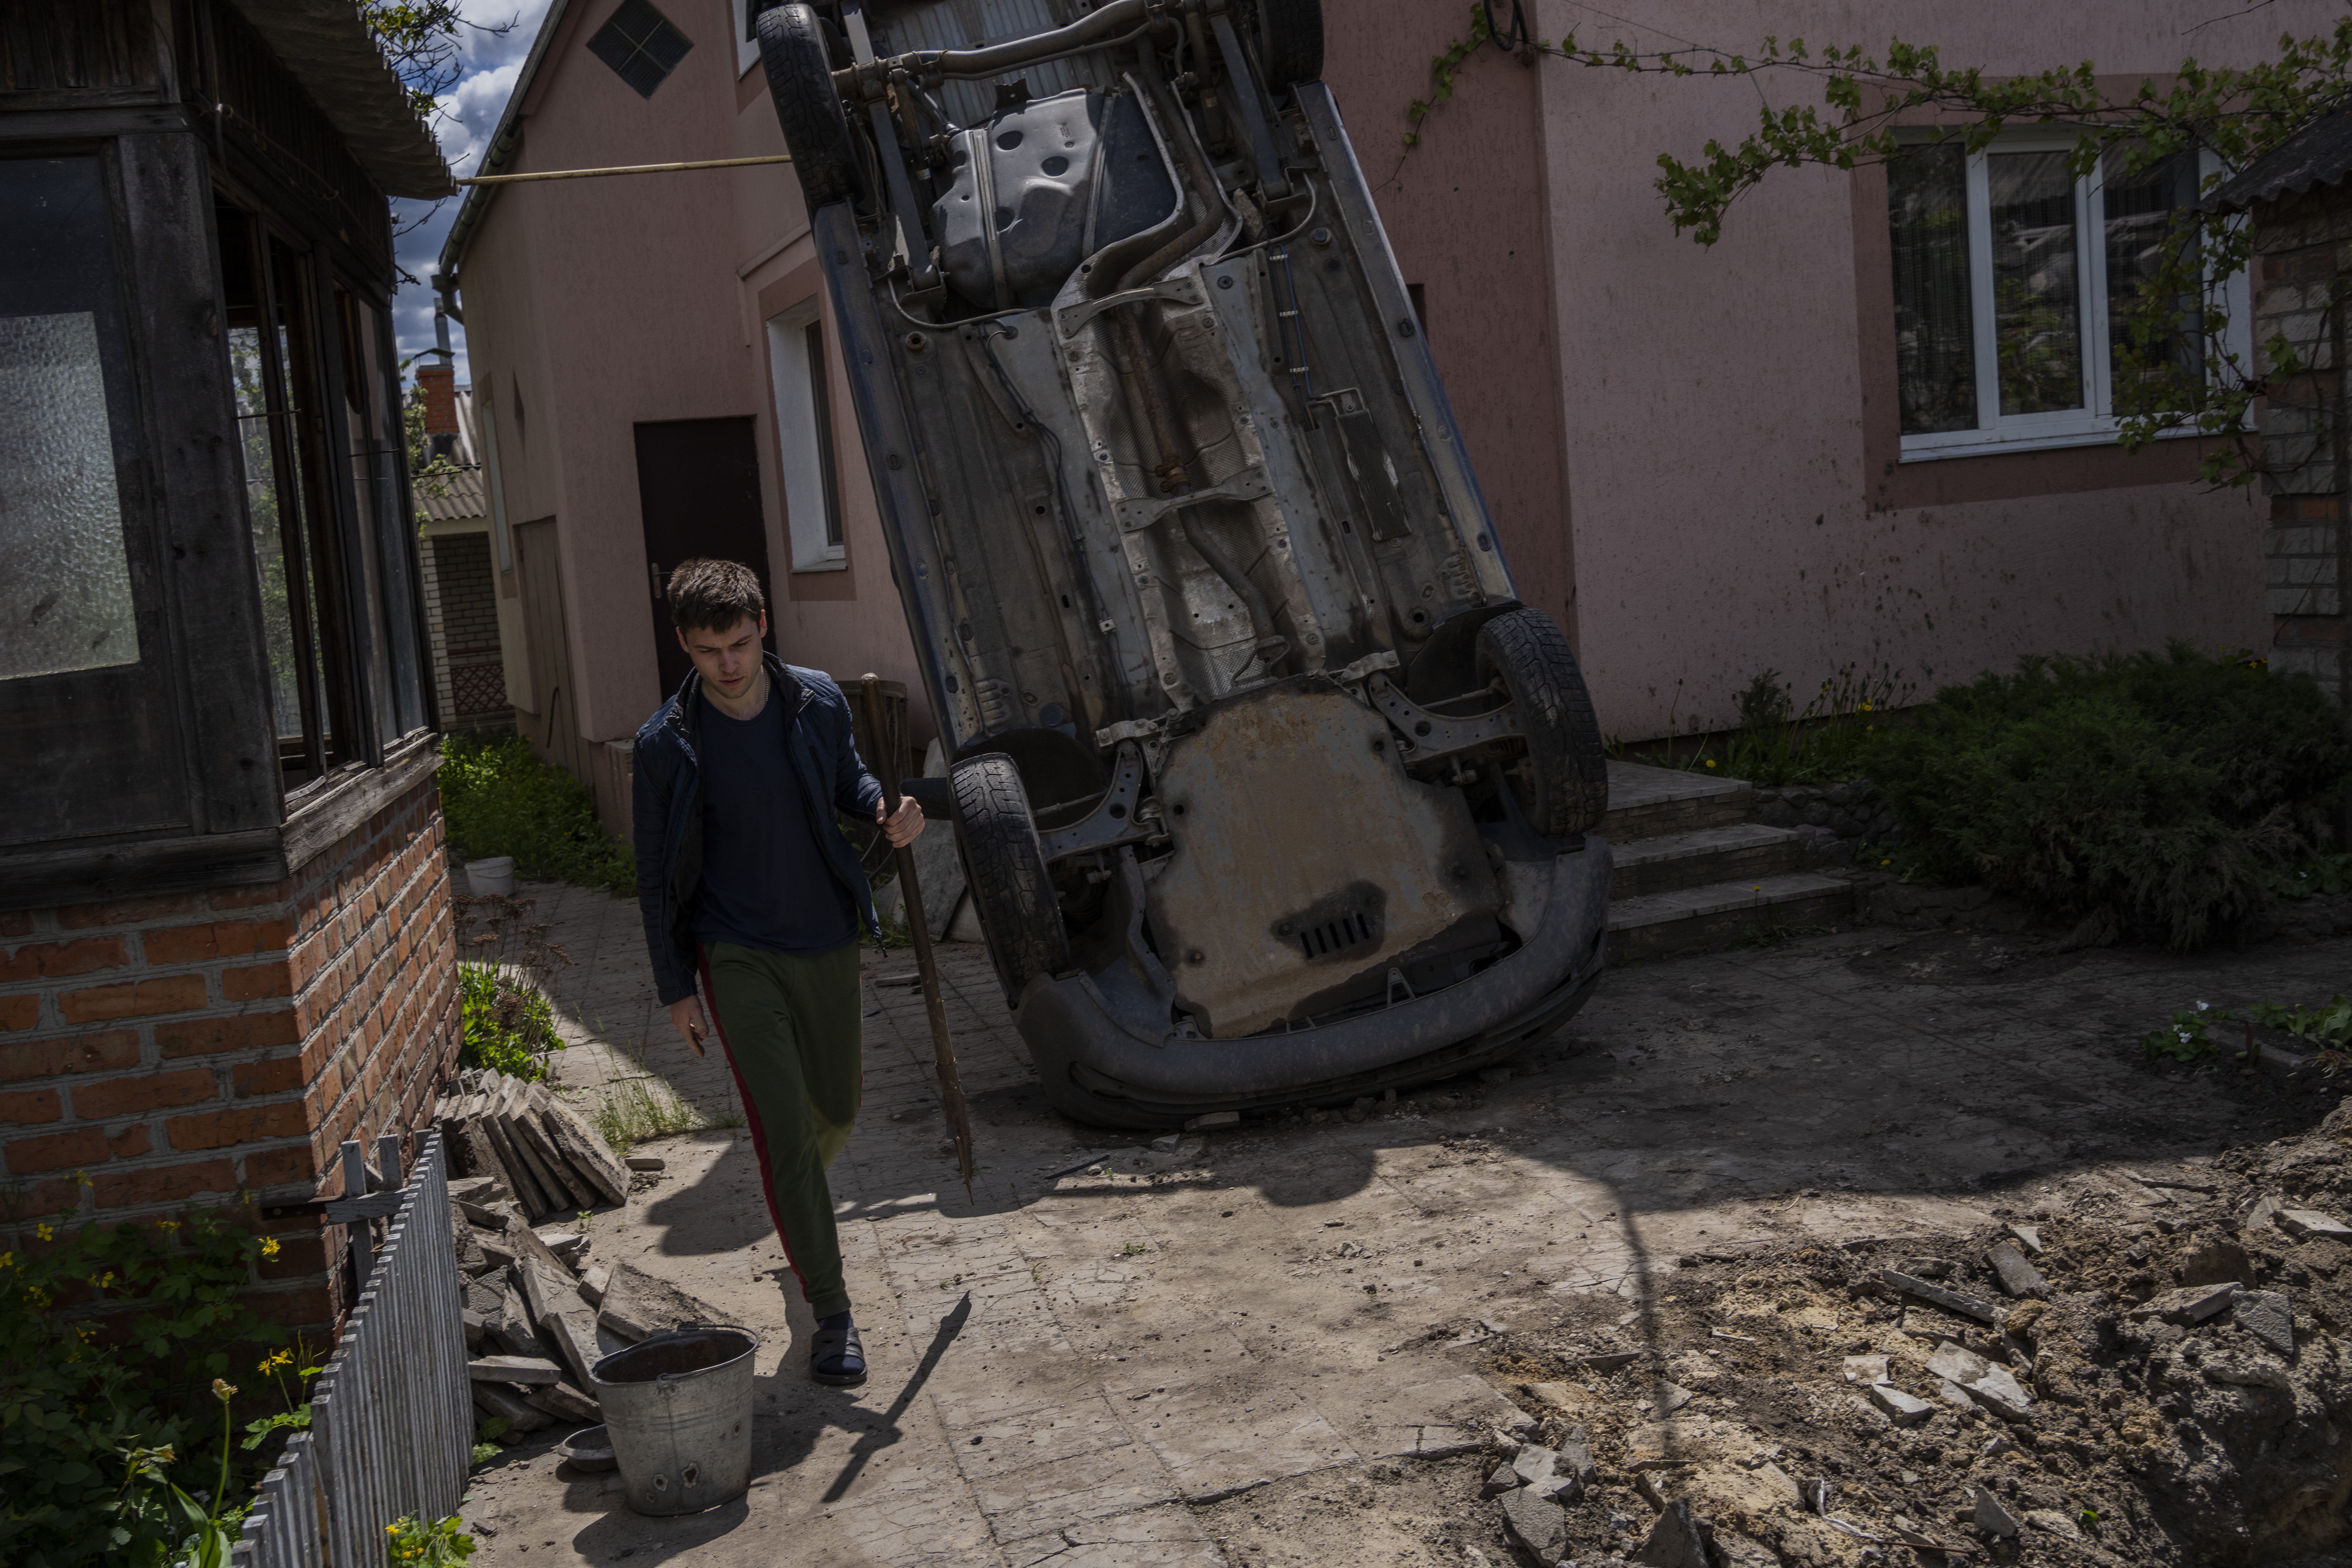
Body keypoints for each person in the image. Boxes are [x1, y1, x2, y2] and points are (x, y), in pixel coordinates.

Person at [630, 558, 922, 1387]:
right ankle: (832, 1314)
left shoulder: (815, 700)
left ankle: (795, 1208)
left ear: (764, 625)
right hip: (734, 950)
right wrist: (675, 986)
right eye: (710, 648)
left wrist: (882, 809)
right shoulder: (665, 744)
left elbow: (849, 778)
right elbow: (655, 876)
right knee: (785, 1126)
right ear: (684, 644)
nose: (729, 662)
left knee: (839, 1106)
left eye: (741, 641)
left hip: (823, 934)